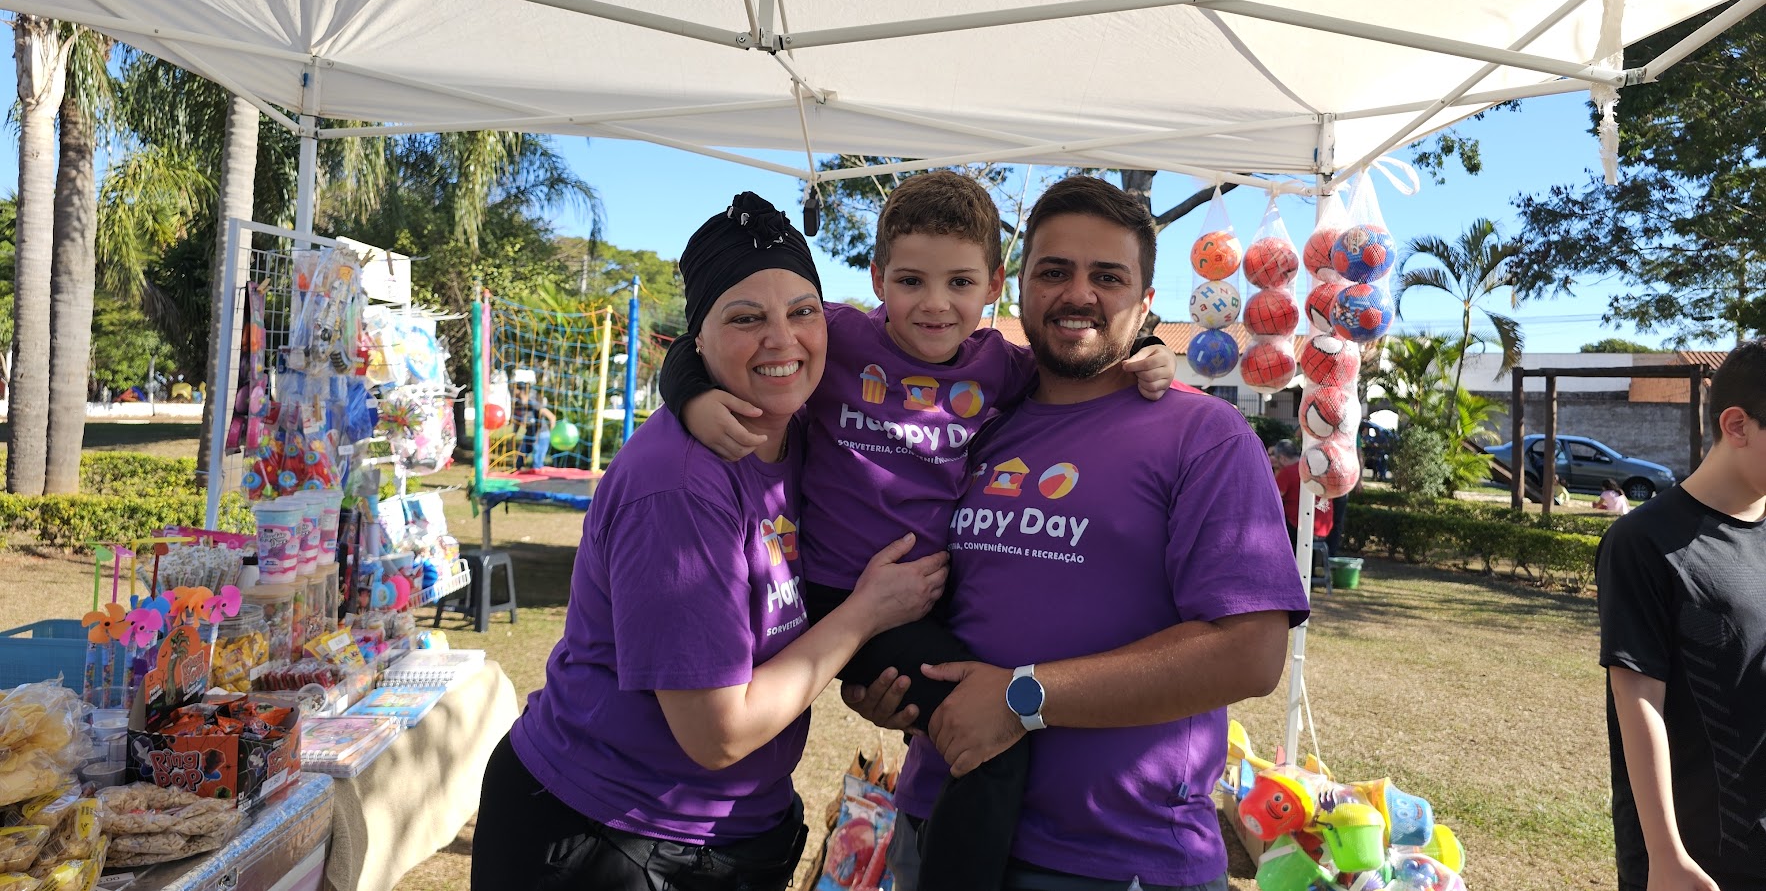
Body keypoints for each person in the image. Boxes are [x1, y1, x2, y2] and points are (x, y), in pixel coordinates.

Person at [659, 171, 1179, 891]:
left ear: (993, 285)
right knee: (994, 743)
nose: (935, 305)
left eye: (960, 283)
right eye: (910, 281)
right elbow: (704, 338)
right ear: (877, 278)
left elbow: (1084, 363)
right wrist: (690, 397)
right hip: (842, 597)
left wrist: (1151, 348)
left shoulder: (1001, 365)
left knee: (974, 724)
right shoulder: (839, 336)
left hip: (925, 603)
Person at [471, 194, 949, 891]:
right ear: (698, 341)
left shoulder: (805, 430)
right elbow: (717, 732)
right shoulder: (680, 486)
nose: (782, 339)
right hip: (603, 834)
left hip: (727, 831)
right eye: (746, 318)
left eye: (803, 311)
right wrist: (866, 615)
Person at [849, 175, 1309, 891]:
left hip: (1117, 856)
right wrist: (891, 686)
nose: (1078, 294)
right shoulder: (975, 422)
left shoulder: (1202, 434)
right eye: (1055, 271)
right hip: (940, 819)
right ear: (1018, 287)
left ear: (1145, 302)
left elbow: (1250, 653)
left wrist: (1021, 698)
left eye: (1108, 277)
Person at [1598, 338, 1766, 891]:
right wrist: (1666, 855)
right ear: (1737, 425)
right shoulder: (1644, 542)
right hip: (1700, 859)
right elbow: (1639, 701)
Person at [1273, 439, 1334, 554]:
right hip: (1323, 529)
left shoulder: (1287, 472)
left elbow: (1272, 499)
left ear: (1282, 458)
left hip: (1299, 529)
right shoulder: (1316, 469)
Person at [509, 369, 555, 471]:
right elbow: (517, 422)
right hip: (529, 434)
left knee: (537, 463)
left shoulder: (533, 403)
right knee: (519, 460)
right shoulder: (517, 405)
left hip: (541, 434)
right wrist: (514, 435)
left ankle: (537, 473)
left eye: (515, 389)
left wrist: (552, 431)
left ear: (521, 391)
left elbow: (551, 417)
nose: (513, 391)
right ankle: (517, 471)